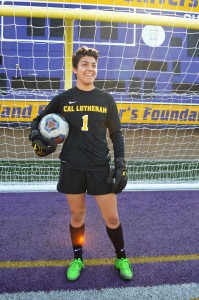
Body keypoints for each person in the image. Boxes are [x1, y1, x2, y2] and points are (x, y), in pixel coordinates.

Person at [29, 46, 133, 281]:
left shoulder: (106, 99)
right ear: (75, 69)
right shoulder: (64, 98)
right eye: (85, 64)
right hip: (72, 166)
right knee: (77, 217)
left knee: (113, 219)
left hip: (99, 167)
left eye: (94, 65)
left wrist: (120, 162)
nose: (90, 69)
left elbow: (116, 134)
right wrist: (36, 137)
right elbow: (38, 121)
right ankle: (77, 259)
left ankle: (121, 257)